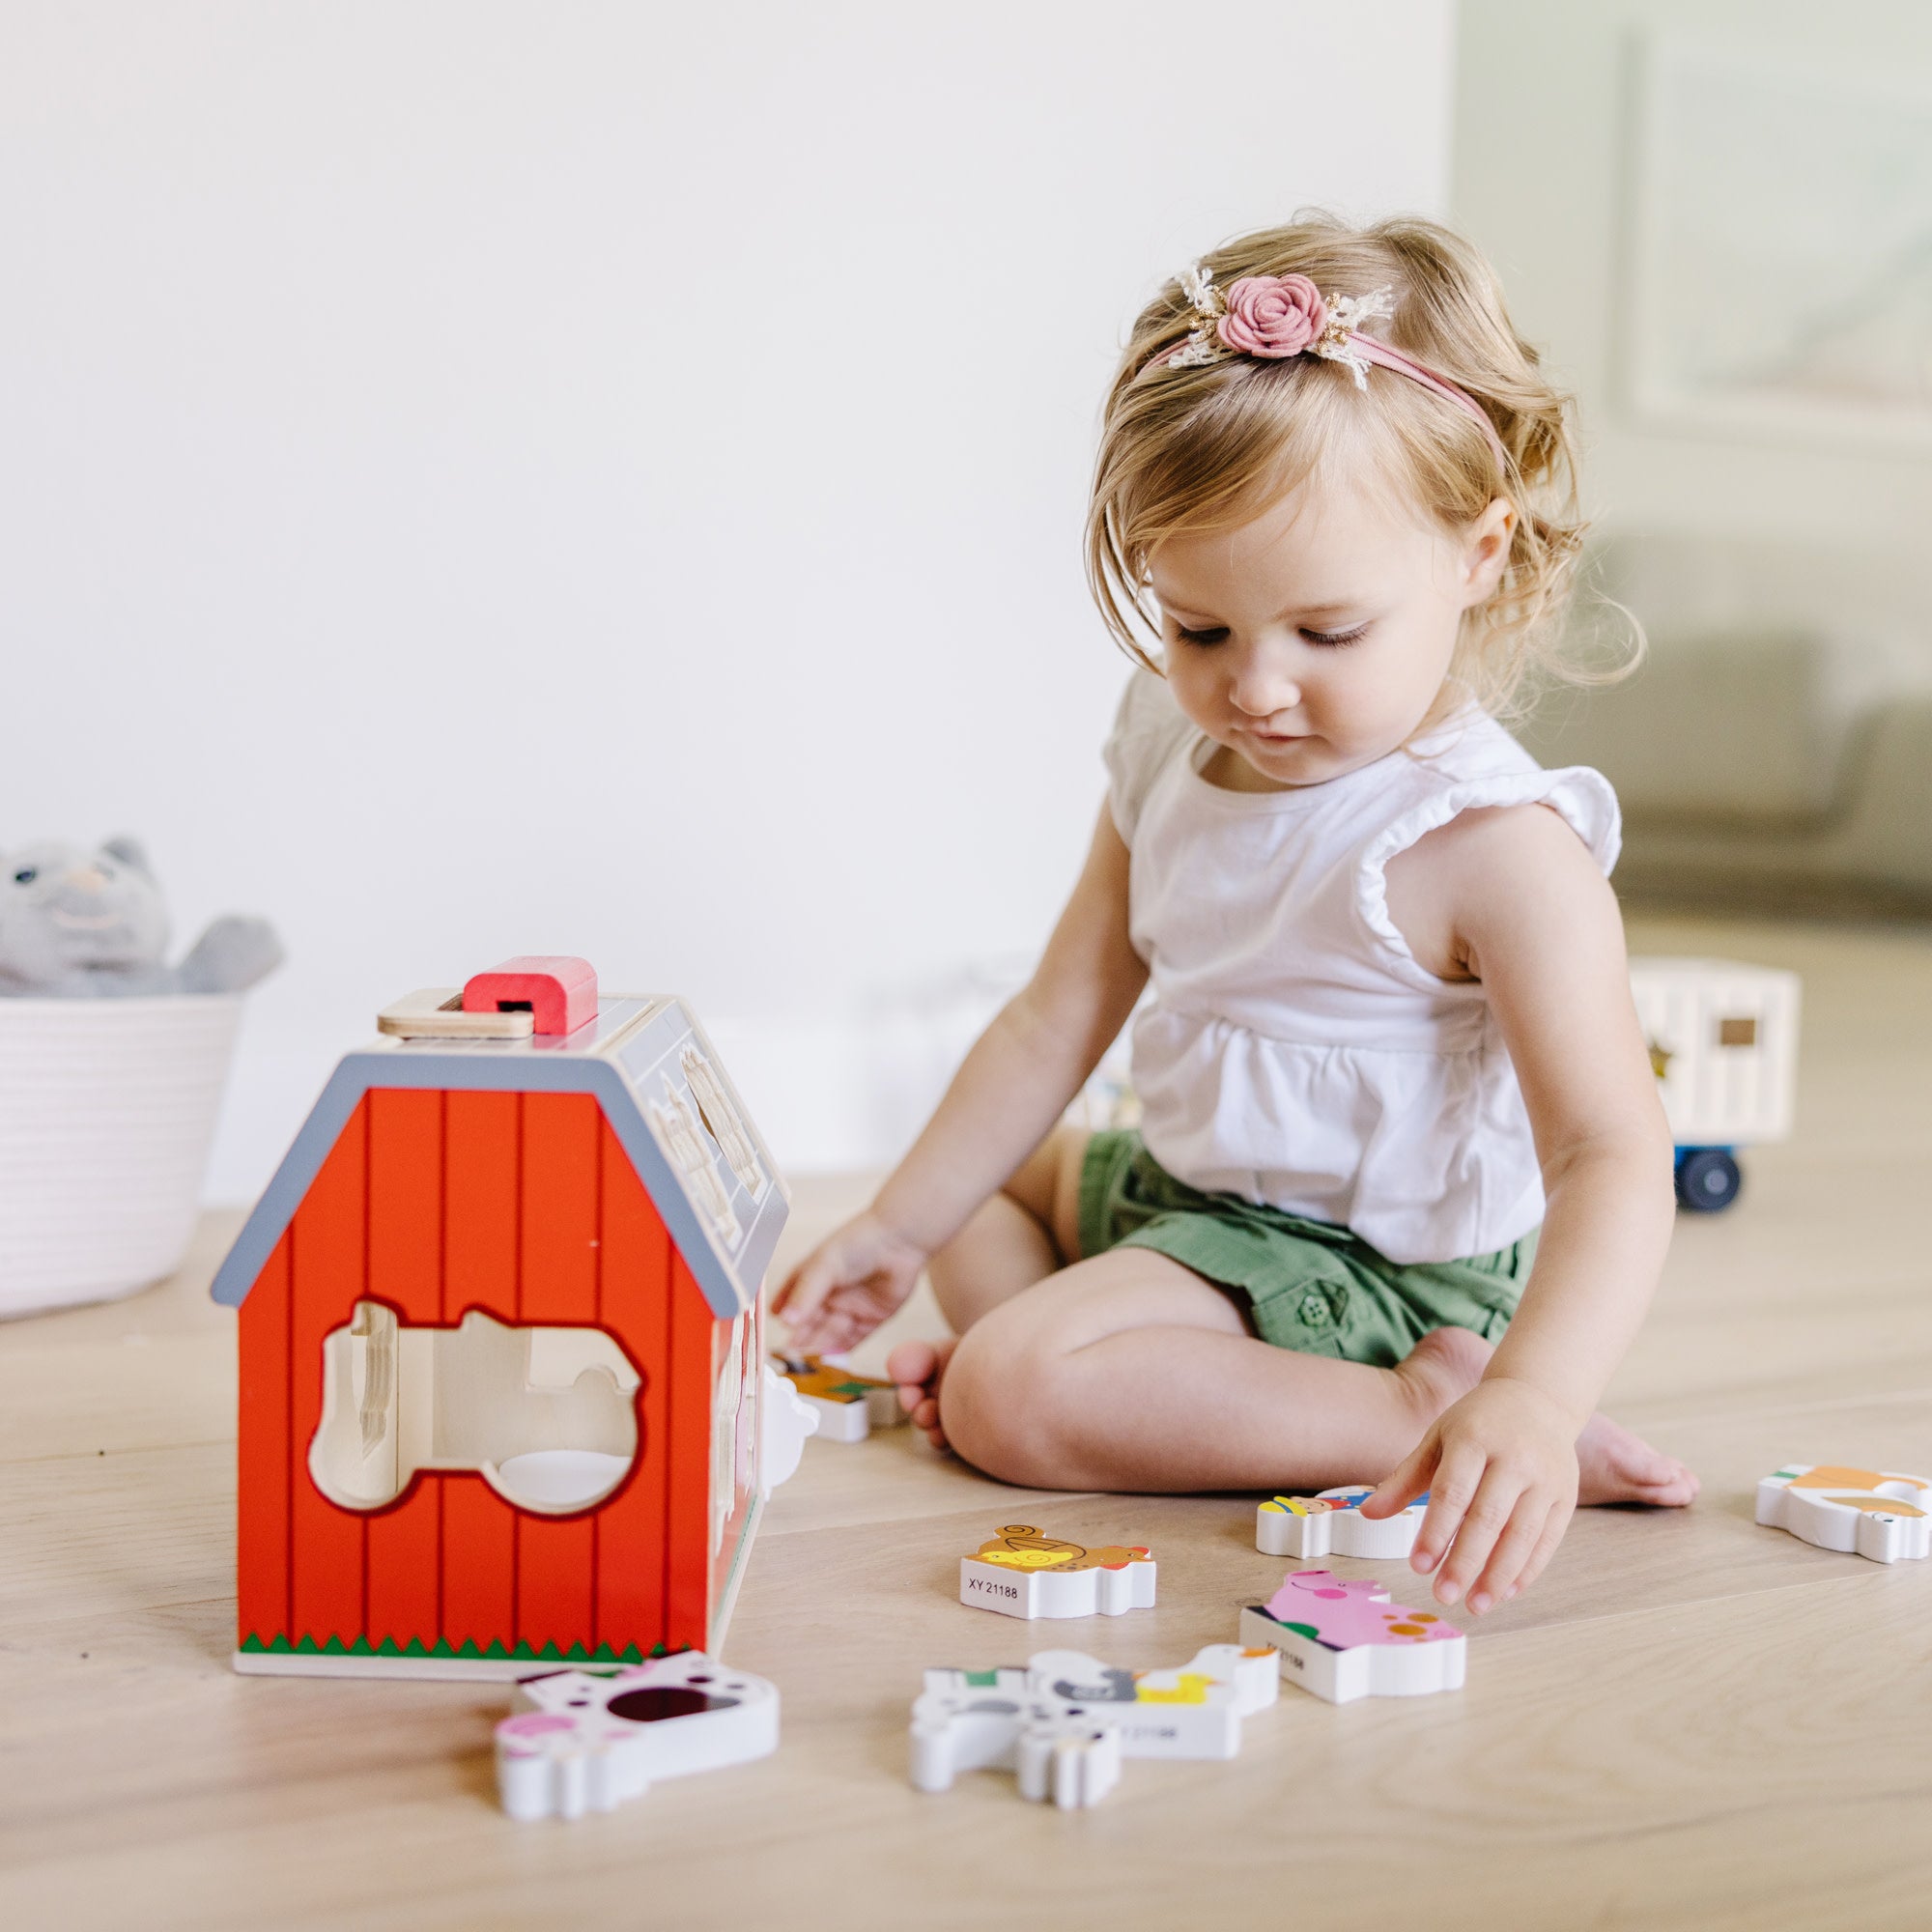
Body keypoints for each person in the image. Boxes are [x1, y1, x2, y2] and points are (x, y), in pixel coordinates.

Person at [775, 213, 1697, 1617]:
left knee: (1002, 1392)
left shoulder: (1491, 844)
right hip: (1201, 1194)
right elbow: (1056, 1016)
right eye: (1199, 629)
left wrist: (1536, 1392)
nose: (1254, 690)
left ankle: (1419, 1413)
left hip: (1381, 1272)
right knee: (976, 1193)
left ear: (1479, 553)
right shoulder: (1168, 741)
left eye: (1328, 634)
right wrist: (897, 1225)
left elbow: (1609, 1151)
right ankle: (1159, 1385)